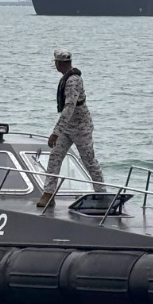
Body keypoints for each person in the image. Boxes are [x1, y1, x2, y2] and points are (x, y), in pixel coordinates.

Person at [38, 49, 104, 207]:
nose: (56, 66)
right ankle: (49, 193)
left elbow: (69, 107)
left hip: (81, 128)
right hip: (67, 129)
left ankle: (102, 194)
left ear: (59, 63)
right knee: (55, 157)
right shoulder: (66, 78)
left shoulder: (73, 80)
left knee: (89, 160)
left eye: (56, 63)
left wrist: (55, 132)